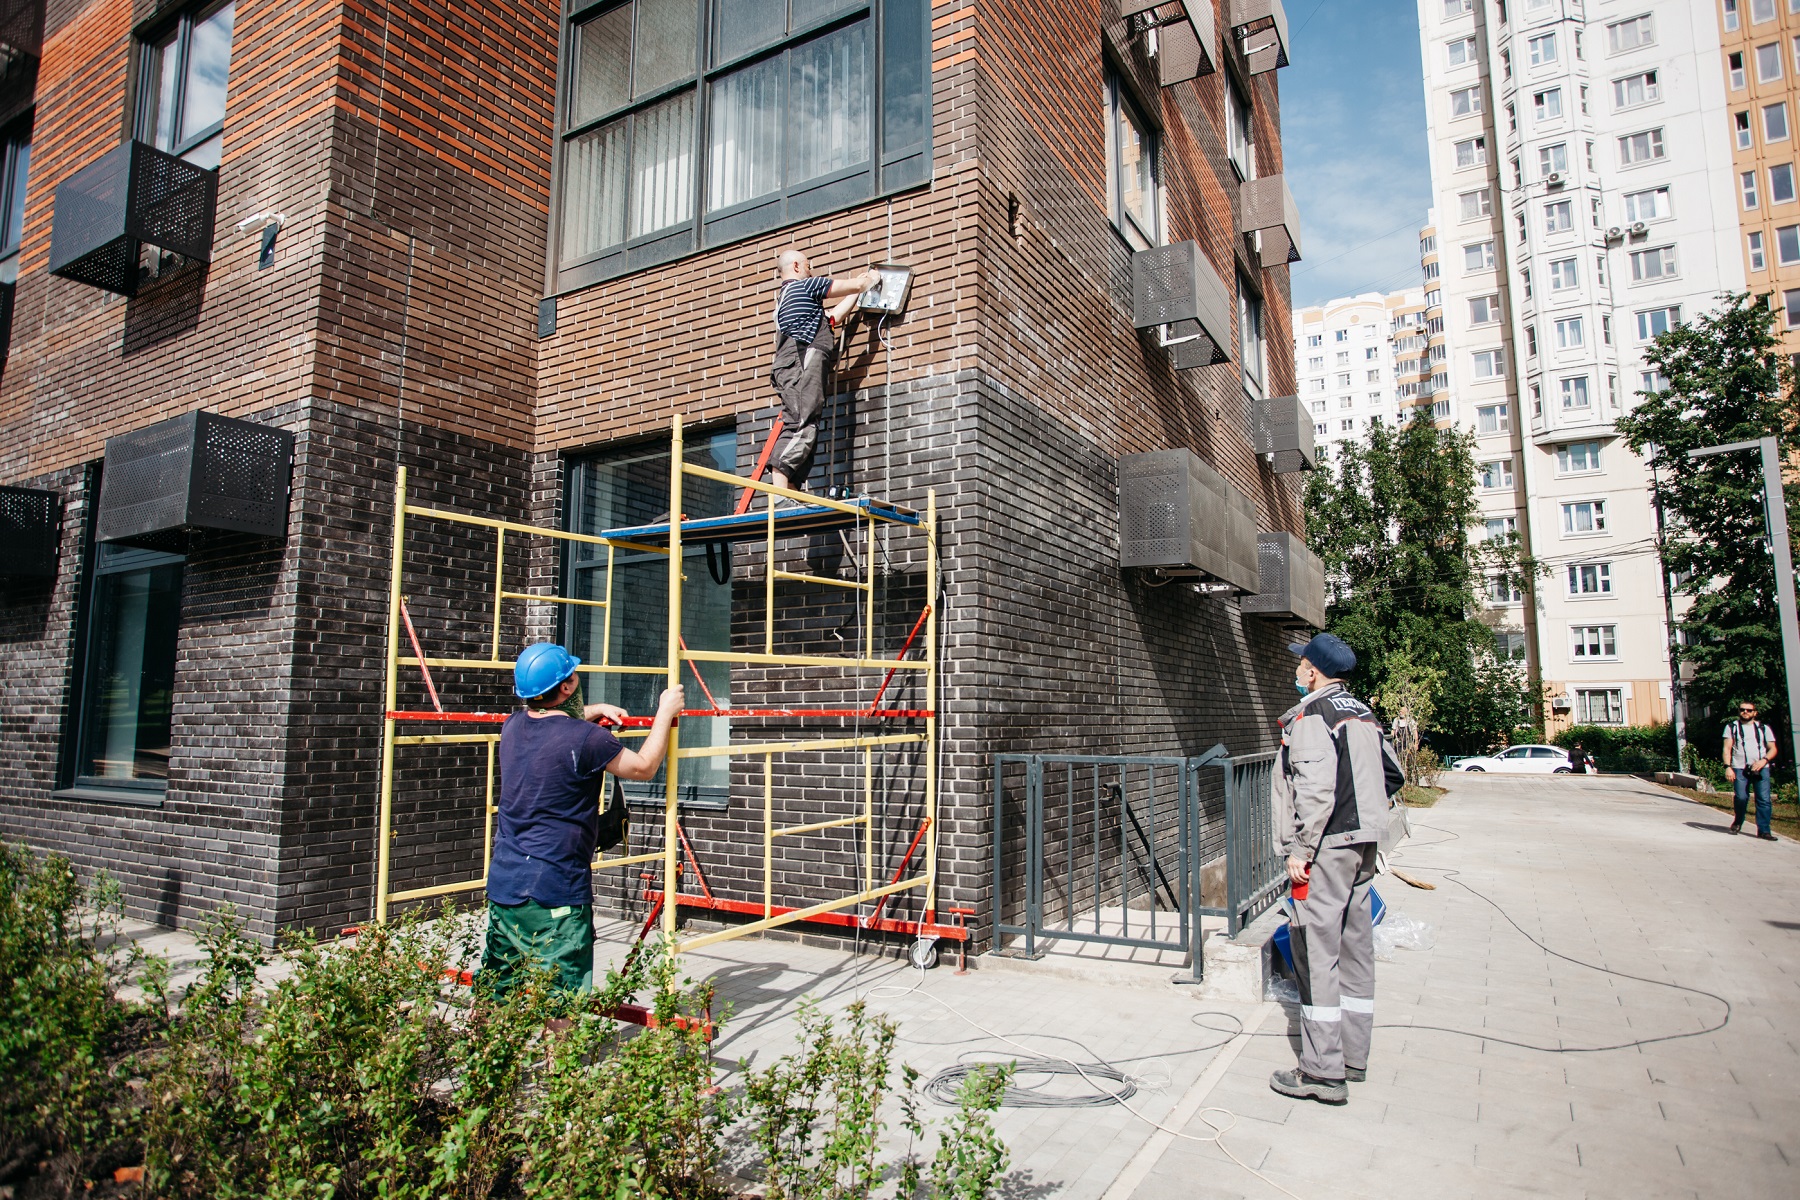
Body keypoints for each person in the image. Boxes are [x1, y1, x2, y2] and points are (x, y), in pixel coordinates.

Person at [481, 643, 685, 995]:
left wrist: (598, 709)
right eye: (574, 677)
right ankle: (558, 1053)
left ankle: (487, 1049)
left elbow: (554, 723)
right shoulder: (588, 738)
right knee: (560, 1000)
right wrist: (665, 712)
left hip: (504, 884)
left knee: (498, 990)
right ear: (566, 687)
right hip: (554, 890)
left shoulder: (512, 727)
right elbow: (645, 766)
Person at [1269, 632, 1404, 1106]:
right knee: (1355, 948)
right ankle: (1352, 1057)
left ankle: (1322, 1072)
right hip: (1363, 844)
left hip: (1326, 848)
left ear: (1314, 672)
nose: (1296, 670)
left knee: (1315, 949)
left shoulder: (1312, 717)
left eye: (1301, 664)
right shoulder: (1361, 712)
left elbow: (1316, 791)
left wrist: (1302, 850)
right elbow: (1393, 775)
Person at [767, 250, 882, 497]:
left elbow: (834, 317)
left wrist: (857, 293)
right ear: (796, 266)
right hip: (801, 363)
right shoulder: (806, 287)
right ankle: (779, 496)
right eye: (809, 265)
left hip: (792, 365)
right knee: (800, 422)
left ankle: (789, 492)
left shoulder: (789, 300)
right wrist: (873, 276)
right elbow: (859, 283)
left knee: (807, 423)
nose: (811, 269)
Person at [1723, 700, 1779, 841]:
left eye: (1749, 710)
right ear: (1739, 711)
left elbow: (1773, 749)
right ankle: (1738, 822)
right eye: (1742, 710)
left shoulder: (1763, 728)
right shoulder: (1732, 727)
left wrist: (1764, 761)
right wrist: (1727, 767)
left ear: (1755, 712)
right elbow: (1727, 748)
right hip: (1739, 767)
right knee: (1741, 797)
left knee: (1764, 799)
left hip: (1760, 768)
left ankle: (1764, 830)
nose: (1745, 712)